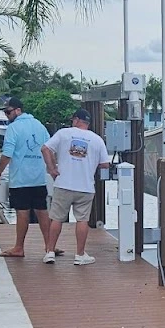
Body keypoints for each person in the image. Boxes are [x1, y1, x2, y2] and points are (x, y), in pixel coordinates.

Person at [0, 97, 56, 262]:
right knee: (42, 212)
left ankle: (19, 247)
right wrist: (52, 168)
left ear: (18, 110)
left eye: (8, 112)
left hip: (20, 179)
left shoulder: (13, 128)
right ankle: (50, 247)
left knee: (22, 213)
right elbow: (49, 149)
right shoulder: (40, 126)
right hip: (39, 178)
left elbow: (7, 154)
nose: (7, 115)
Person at [41, 107, 110, 266]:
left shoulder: (63, 133)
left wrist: (52, 168)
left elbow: (45, 149)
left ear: (77, 120)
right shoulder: (97, 139)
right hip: (85, 187)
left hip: (63, 183)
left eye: (73, 119)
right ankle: (79, 255)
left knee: (57, 218)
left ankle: (50, 252)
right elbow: (105, 164)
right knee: (82, 220)